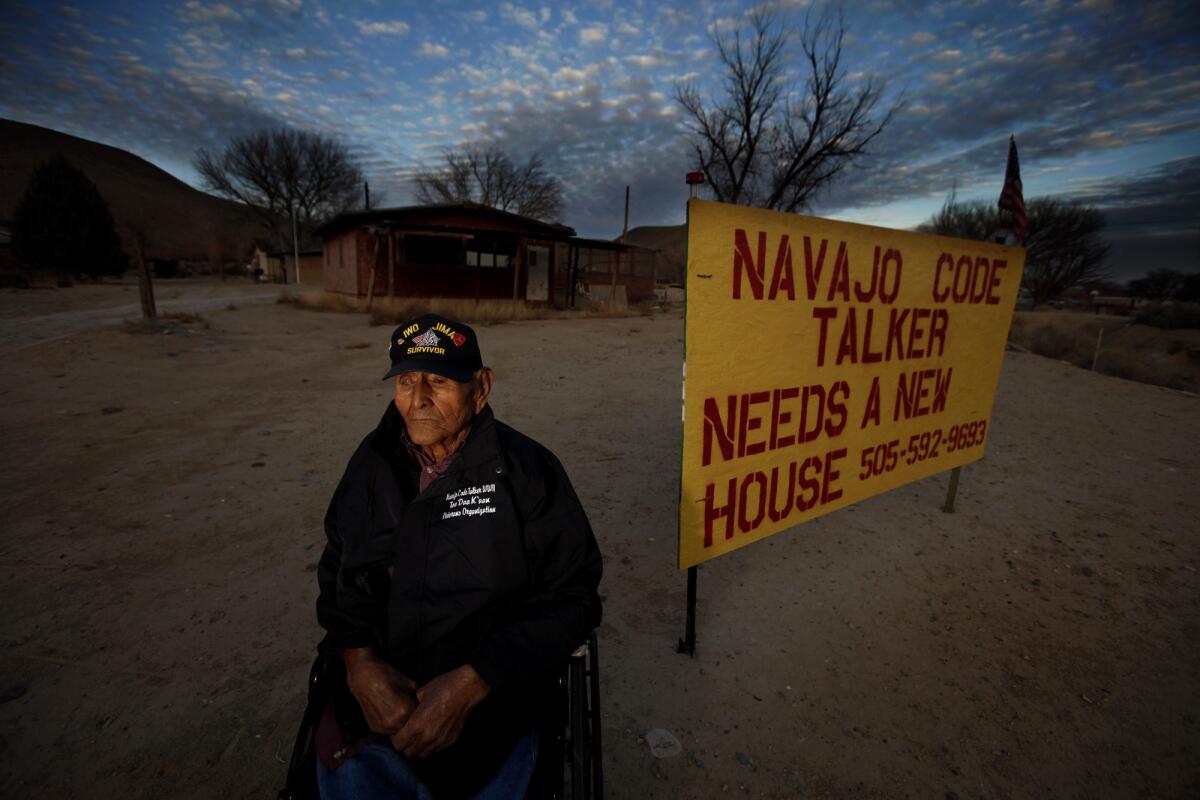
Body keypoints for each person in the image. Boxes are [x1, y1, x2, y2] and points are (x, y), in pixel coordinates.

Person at [315, 313, 603, 800]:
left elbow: (574, 598)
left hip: (494, 701)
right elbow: (340, 575)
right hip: (377, 698)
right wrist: (359, 662)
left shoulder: (529, 472)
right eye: (406, 382)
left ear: (482, 386)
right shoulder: (372, 464)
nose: (418, 399)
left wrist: (474, 681)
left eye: (440, 381)